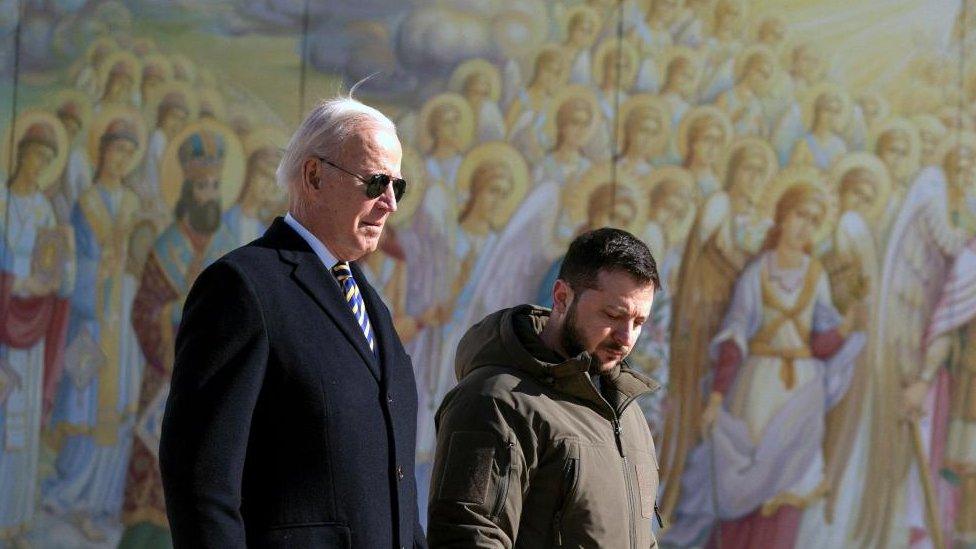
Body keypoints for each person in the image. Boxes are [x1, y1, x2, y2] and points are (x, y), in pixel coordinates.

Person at [157, 96, 427, 548]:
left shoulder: (369, 303)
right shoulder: (243, 288)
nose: (389, 205)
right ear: (314, 176)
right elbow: (200, 480)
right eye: (375, 182)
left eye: (397, 188)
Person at [428, 228, 663, 548]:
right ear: (562, 297)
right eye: (613, 315)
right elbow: (470, 535)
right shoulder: (496, 402)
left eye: (638, 323)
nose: (626, 338)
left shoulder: (628, 413)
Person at [119, 121, 240, 549]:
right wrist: (173, 309)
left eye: (214, 185)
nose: (209, 193)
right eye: (201, 186)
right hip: (163, 371)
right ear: (188, 191)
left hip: (213, 374)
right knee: (156, 453)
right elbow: (143, 308)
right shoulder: (165, 245)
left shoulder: (231, 246)